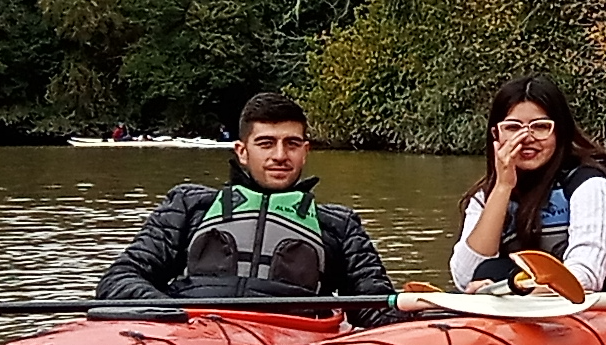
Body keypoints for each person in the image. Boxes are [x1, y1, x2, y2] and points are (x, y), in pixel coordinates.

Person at [96, 91, 403, 320]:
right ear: (242, 151)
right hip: (190, 332)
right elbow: (120, 279)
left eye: (292, 144)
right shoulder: (190, 206)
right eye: (266, 143)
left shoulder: (338, 225)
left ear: (305, 151)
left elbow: (377, 308)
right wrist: (171, 316)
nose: (280, 155)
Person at [450, 75, 606, 294]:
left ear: (559, 132)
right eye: (513, 128)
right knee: (491, 268)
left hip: (591, 306)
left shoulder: (591, 185)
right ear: (496, 135)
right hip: (510, 300)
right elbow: (465, 277)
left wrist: (509, 291)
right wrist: (503, 187)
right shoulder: (486, 196)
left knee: (497, 272)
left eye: (541, 127)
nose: (526, 138)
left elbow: (584, 277)